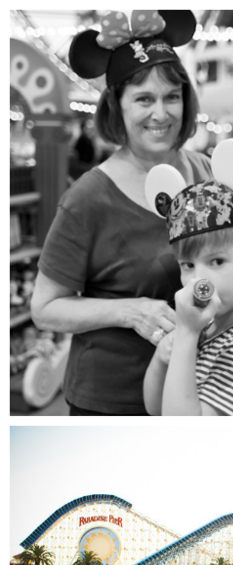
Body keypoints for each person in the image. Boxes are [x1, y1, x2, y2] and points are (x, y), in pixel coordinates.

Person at [32, 11, 208, 415]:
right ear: (117, 107)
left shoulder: (204, 172)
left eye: (171, 97)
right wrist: (129, 311)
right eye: (144, 99)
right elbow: (44, 308)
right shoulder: (89, 197)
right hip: (111, 401)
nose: (161, 114)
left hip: (192, 396)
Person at [142, 140, 233, 415]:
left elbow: (190, 441)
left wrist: (186, 335)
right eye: (188, 265)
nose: (199, 281)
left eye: (217, 261)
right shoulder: (209, 327)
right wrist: (163, 358)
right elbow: (154, 409)